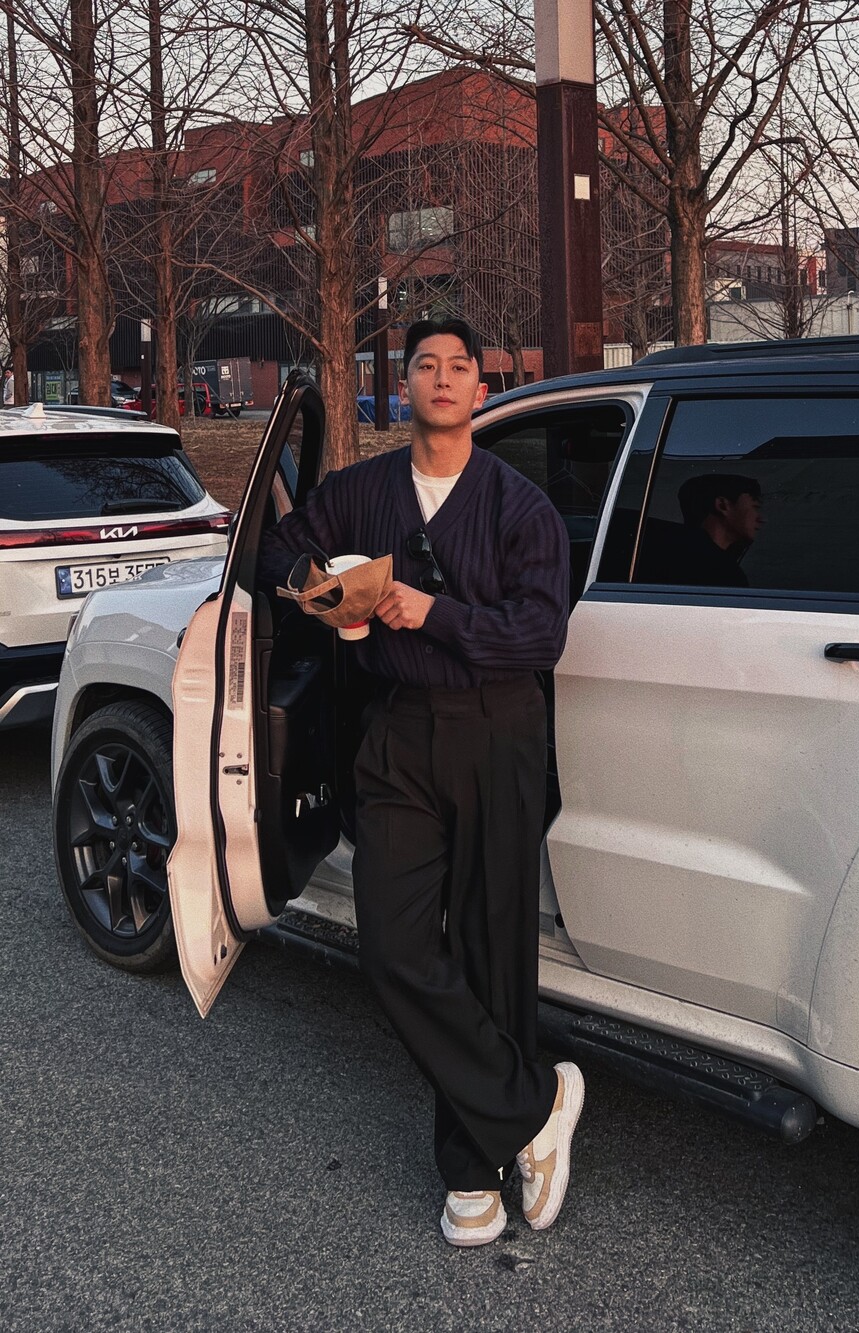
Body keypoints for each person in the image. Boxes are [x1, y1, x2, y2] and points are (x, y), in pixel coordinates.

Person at [259, 318, 584, 1248]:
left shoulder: (519, 506)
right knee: (394, 945)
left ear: (482, 390)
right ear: (403, 388)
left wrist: (432, 612)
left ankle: (470, 1170)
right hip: (396, 731)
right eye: (425, 366)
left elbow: (540, 634)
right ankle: (534, 1104)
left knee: (491, 947)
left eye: (459, 367)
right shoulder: (361, 491)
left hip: (496, 728)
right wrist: (323, 589)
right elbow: (278, 550)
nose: (443, 379)